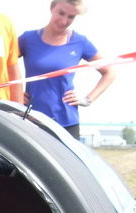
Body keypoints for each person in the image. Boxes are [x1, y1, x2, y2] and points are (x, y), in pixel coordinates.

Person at [19, 0, 115, 140]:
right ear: (52, 8)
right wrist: (13, 93)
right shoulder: (27, 39)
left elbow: (109, 72)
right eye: (61, 13)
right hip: (31, 119)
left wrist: (88, 99)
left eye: (71, 17)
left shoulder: (80, 42)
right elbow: (2, 64)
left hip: (66, 122)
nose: (64, 21)